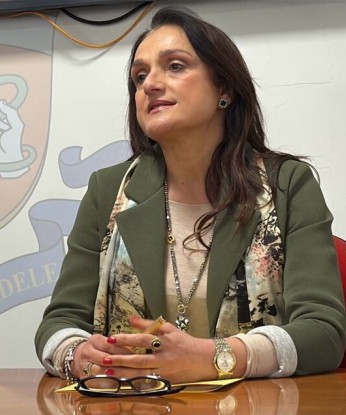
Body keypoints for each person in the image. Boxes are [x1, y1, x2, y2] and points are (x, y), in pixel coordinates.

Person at [35, 7, 346, 384]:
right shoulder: (109, 190)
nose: (150, 84)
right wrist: (76, 354)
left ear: (224, 89)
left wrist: (217, 358)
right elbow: (59, 322)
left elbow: (324, 332)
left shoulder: (287, 185)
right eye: (139, 76)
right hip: (134, 403)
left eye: (175, 66)